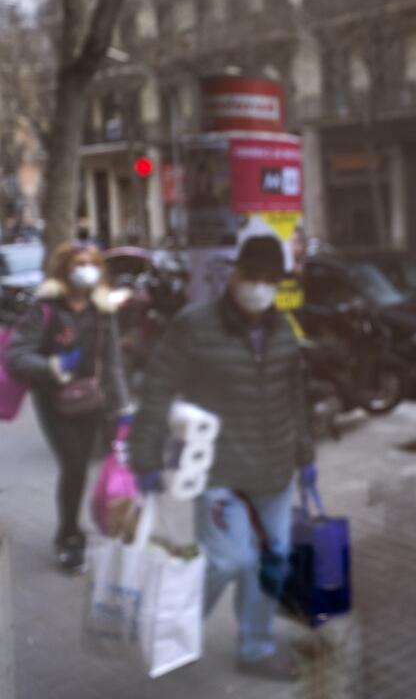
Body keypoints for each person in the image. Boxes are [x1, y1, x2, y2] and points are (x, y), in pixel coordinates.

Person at [129, 234, 315, 681]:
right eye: (251, 276)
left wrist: (305, 459)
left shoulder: (284, 331)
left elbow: (295, 399)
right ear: (234, 274)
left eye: (269, 279)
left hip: (273, 471)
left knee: (273, 561)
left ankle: (256, 647)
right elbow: (156, 388)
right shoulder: (194, 325)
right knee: (230, 560)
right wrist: (145, 457)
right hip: (217, 470)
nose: (258, 286)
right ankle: (174, 626)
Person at [4, 242, 130, 573]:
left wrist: (123, 408)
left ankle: (78, 526)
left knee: (83, 467)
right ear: (64, 269)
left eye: (91, 263)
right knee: (73, 465)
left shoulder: (103, 311)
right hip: (53, 401)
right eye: (78, 263)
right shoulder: (45, 309)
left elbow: (113, 363)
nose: (85, 269)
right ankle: (69, 536)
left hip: (91, 399)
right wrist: (51, 367)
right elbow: (16, 354)